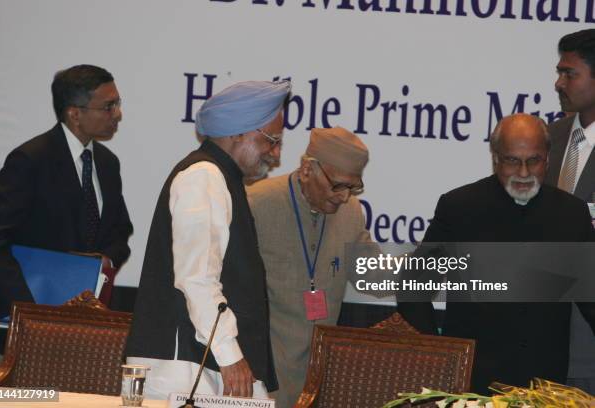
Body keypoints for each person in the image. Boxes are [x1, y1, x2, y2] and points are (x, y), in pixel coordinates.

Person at [398, 113, 595, 394]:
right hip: (473, 383)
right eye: (513, 160)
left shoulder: (571, 214)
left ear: (548, 159)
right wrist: (441, 351)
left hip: (544, 386)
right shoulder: (460, 208)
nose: (524, 173)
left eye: (534, 161)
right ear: (496, 159)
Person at [125, 80, 291, 400]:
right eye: (271, 140)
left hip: (208, 364)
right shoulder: (203, 176)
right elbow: (198, 278)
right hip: (188, 370)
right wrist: (231, 358)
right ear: (237, 132)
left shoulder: (221, 177)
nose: (276, 153)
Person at [0, 64, 133, 373]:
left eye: (117, 103)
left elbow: (120, 229)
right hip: (25, 328)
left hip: (85, 329)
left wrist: (104, 262)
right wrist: (25, 314)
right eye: (108, 106)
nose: (117, 114)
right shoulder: (30, 159)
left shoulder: (107, 163)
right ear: (74, 113)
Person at [247, 127, 377, 407]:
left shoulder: (351, 211)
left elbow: (375, 275)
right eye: (338, 185)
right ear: (308, 169)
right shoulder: (256, 203)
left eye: (353, 188)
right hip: (260, 379)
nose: (344, 197)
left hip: (318, 382)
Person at [546, 28, 595, 393]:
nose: (558, 83)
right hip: (537, 334)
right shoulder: (548, 139)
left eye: (569, 73)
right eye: (559, 72)